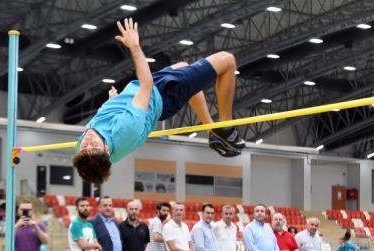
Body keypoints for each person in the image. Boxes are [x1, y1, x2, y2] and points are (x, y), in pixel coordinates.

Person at [73, 18, 246, 185]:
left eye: (84, 148)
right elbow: (146, 85)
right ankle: (225, 128)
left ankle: (210, 128)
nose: (87, 141)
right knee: (227, 60)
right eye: (93, 146)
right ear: (107, 151)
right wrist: (134, 46)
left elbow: (102, 129)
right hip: (164, 94)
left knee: (183, 65)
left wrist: (114, 102)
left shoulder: (86, 151)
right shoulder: (126, 129)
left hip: (145, 95)